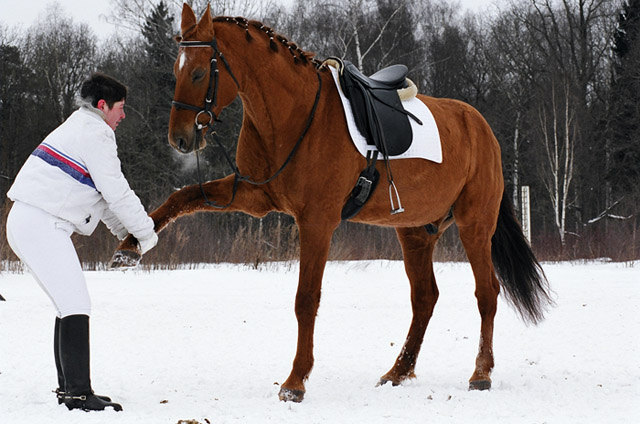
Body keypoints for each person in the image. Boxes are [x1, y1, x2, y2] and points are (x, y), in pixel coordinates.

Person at [5, 73, 158, 412]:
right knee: (75, 303)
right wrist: (146, 234)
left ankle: (70, 390)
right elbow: (117, 191)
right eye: (120, 108)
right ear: (103, 106)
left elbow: (103, 198)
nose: (123, 115)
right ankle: (77, 394)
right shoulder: (96, 133)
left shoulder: (79, 129)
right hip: (40, 224)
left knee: (68, 304)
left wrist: (127, 235)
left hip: (30, 221)